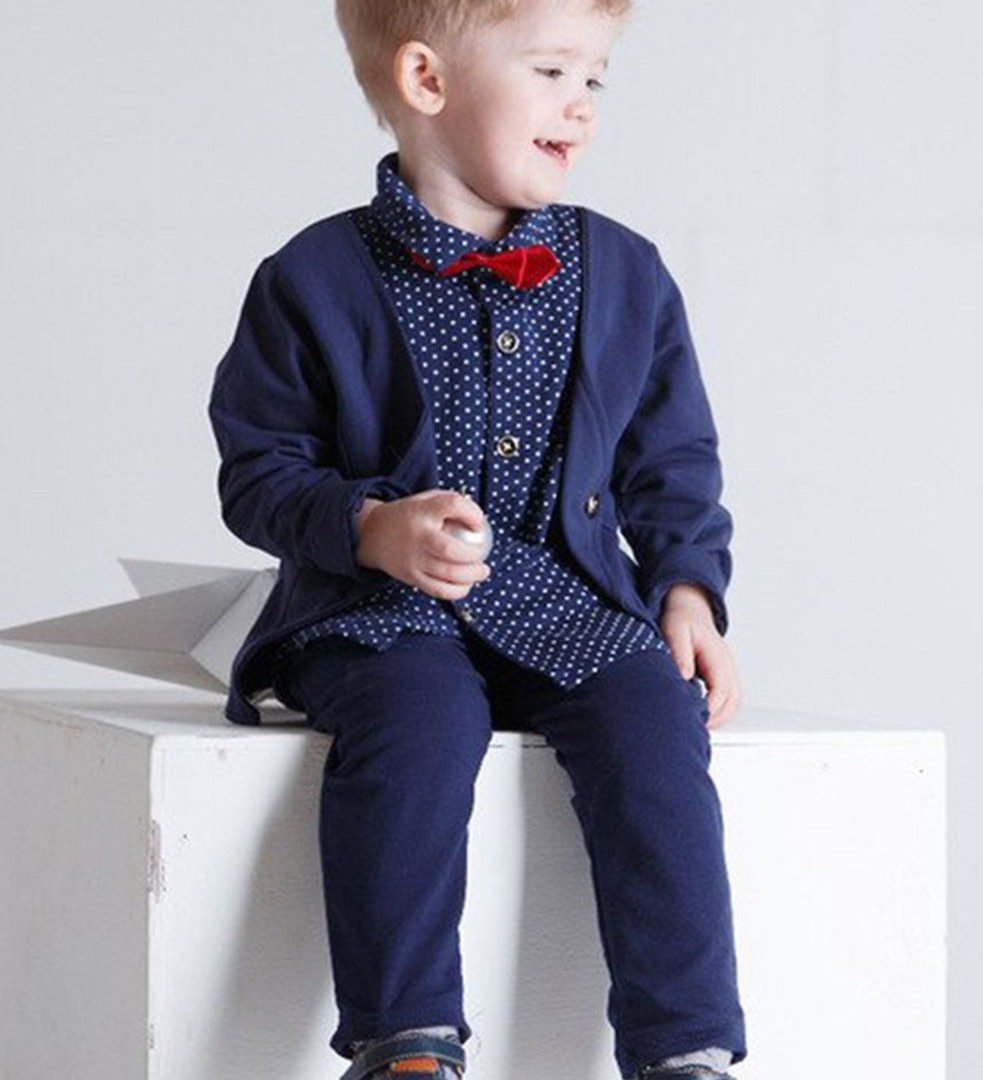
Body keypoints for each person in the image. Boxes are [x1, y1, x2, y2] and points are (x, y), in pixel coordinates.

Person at [207, 1, 748, 1078]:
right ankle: (406, 1039)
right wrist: (370, 527)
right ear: (427, 79)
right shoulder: (311, 277)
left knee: (655, 727)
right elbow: (258, 471)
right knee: (416, 728)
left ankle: (684, 1045)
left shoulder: (626, 273)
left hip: (565, 601)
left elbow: (671, 460)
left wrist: (687, 588)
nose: (581, 106)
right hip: (380, 612)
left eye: (595, 78)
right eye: (551, 71)